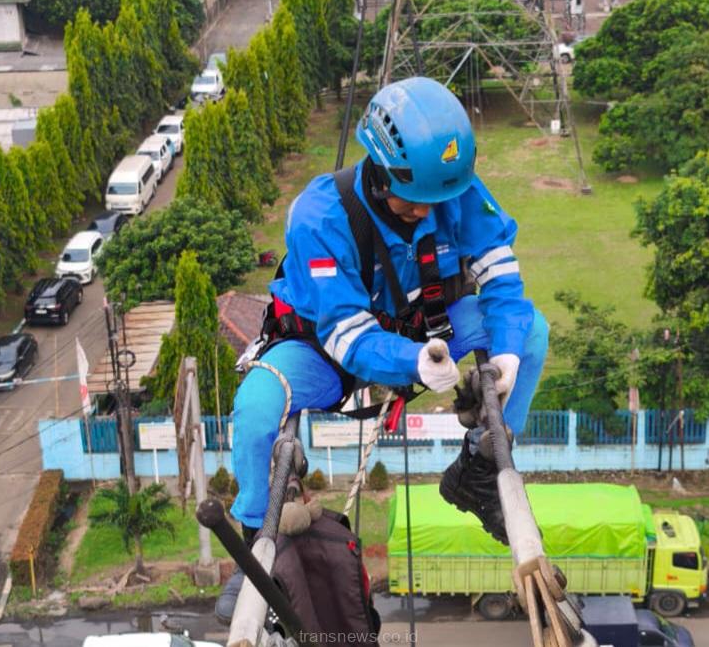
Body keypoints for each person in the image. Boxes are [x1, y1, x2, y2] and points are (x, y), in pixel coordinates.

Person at [216, 76, 549, 622]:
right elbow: (345, 333)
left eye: (438, 201)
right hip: (326, 351)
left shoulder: (452, 191)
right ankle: (255, 541)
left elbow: (501, 278)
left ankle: (481, 464)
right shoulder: (321, 217)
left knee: (530, 332)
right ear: (382, 172)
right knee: (255, 407)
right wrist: (412, 361)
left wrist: (506, 354)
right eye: (416, 202)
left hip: (426, 331)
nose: (428, 213)